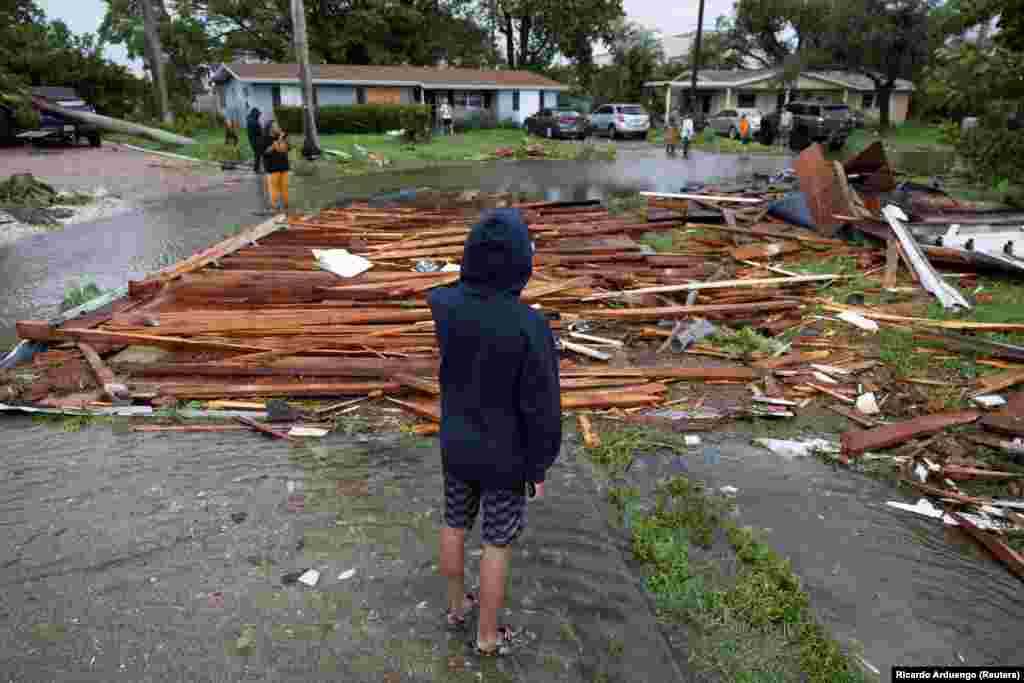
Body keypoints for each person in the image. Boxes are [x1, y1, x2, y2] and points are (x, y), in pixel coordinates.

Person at [427, 208, 562, 658]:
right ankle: (486, 635)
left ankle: (455, 605)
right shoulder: (530, 326)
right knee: (496, 541)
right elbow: (541, 407)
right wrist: (539, 464)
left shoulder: (445, 306)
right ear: (521, 266)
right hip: (506, 457)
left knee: (454, 521)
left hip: (457, 443)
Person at [262, 124, 290, 213]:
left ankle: (285, 205)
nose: (279, 128)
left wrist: (285, 140)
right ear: (270, 129)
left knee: (285, 187)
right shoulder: (265, 138)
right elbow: (266, 151)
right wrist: (279, 140)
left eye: (278, 126)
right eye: (276, 127)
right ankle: (274, 206)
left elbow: (286, 149)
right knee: (273, 188)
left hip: (284, 166)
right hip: (272, 167)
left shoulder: (282, 137)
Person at [246, 107, 264, 173]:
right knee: (258, 154)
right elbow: (259, 131)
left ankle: (257, 168)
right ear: (255, 114)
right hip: (256, 140)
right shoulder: (253, 121)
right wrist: (261, 130)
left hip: (254, 140)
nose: (259, 116)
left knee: (258, 154)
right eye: (258, 114)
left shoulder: (251, 120)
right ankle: (256, 169)